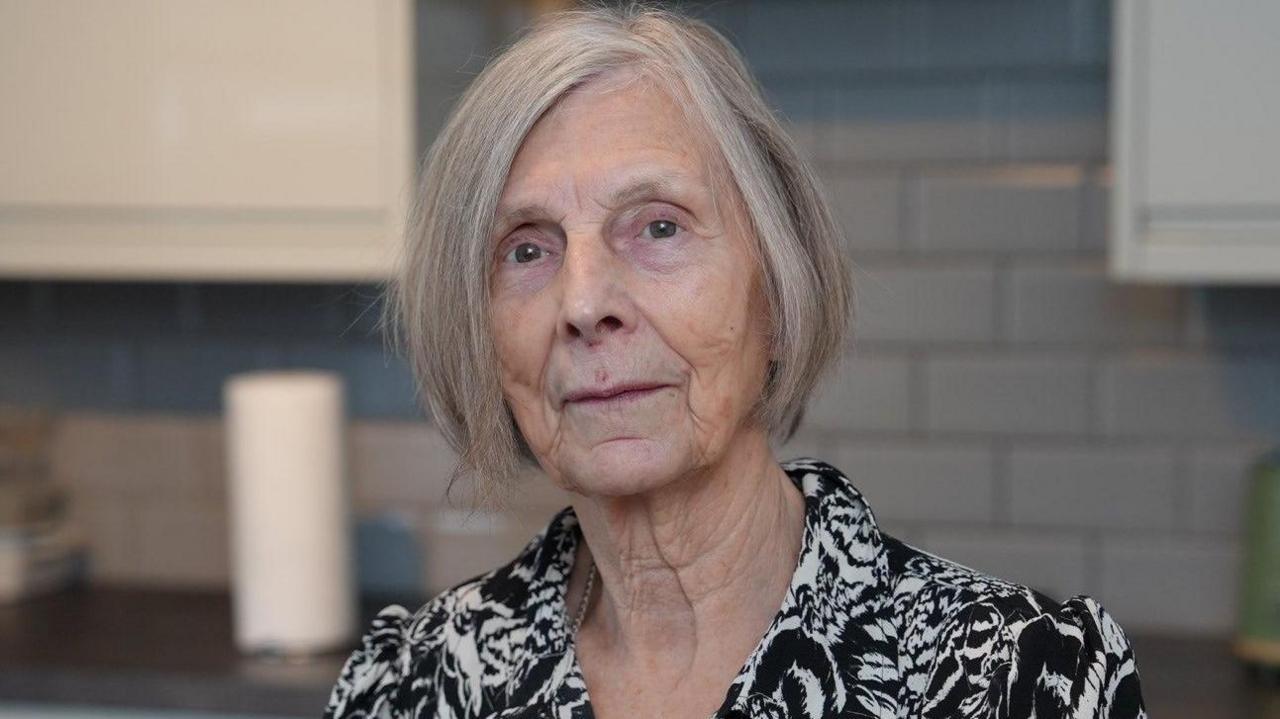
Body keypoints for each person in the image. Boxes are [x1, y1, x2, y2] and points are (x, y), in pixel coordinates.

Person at [324, 6, 1146, 718]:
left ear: (779, 294)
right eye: (527, 249)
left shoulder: (1027, 681)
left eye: (659, 227)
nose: (582, 302)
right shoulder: (411, 683)